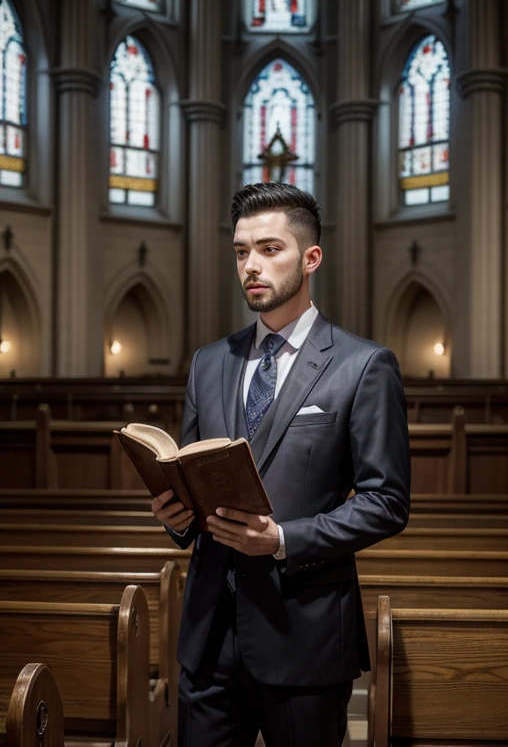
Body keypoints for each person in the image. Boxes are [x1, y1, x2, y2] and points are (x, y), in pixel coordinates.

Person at [152, 182, 410, 747]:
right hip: (207, 636)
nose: (251, 265)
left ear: (310, 258)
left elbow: (387, 503)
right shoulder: (208, 362)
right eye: (242, 251)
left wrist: (283, 539)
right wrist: (175, 513)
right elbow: (194, 480)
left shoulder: (363, 365)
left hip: (305, 635)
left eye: (270, 249)